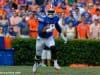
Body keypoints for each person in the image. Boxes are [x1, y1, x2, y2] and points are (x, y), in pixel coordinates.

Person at [33, 8, 61, 73]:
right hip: (41, 38)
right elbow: (40, 32)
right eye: (50, 12)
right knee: (38, 55)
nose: (51, 13)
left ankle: (55, 64)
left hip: (49, 38)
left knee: (53, 47)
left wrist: (60, 31)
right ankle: (35, 64)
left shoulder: (56, 18)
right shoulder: (43, 19)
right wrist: (47, 29)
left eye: (52, 12)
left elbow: (57, 25)